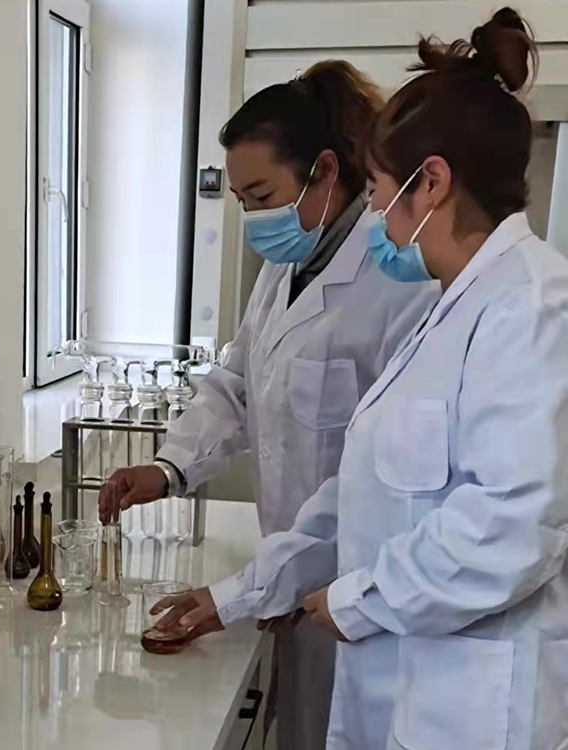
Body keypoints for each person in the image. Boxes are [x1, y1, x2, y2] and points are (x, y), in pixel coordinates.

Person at [149, 8, 568, 749]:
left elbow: (511, 526)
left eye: (377, 186)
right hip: (405, 678)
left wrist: (359, 599)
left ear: (430, 183)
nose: (372, 208)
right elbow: (361, 495)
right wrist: (241, 593)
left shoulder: (532, 307)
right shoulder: (455, 309)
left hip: (471, 706)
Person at [99, 63, 438, 749]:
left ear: (324, 171)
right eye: (243, 201)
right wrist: (167, 468)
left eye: (263, 195)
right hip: (291, 580)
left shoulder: (398, 284)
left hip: (357, 597)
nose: (256, 219)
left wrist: (247, 591)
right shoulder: (283, 269)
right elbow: (238, 382)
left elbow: (371, 483)